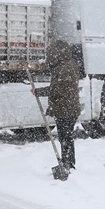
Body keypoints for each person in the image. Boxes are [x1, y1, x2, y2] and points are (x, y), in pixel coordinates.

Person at [36, 40, 84, 180]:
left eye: (51, 54)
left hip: (66, 109)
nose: (49, 57)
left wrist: (38, 91)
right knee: (66, 136)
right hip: (67, 108)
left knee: (65, 137)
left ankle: (67, 163)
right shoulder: (67, 65)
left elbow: (57, 89)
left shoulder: (65, 68)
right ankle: (68, 162)